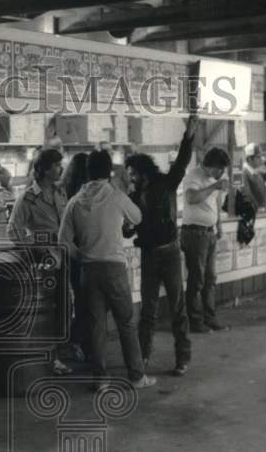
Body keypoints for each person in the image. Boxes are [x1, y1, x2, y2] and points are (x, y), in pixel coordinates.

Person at [59, 149, 155, 390]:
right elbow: (139, 216)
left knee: (96, 327)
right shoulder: (116, 195)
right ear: (109, 172)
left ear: (88, 171)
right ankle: (136, 376)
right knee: (126, 322)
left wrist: (80, 255)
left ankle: (100, 379)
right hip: (113, 267)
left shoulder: (75, 201)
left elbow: (63, 241)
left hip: (88, 271)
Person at [124, 114, 198, 376]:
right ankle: (143, 358)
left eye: (133, 173)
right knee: (149, 310)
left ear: (143, 171)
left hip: (169, 252)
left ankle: (182, 358)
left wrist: (188, 135)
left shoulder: (167, 183)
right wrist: (128, 227)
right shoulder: (132, 196)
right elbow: (127, 227)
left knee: (177, 308)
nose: (130, 178)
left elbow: (182, 160)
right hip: (150, 254)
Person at [8, 147, 71, 375]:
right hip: (46, 262)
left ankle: (61, 352)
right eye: (56, 165)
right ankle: (51, 358)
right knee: (49, 311)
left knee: (65, 308)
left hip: (65, 256)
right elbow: (13, 230)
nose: (60, 168)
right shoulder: (28, 198)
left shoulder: (60, 192)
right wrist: (33, 250)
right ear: (44, 169)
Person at [180, 146, 231, 333]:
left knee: (210, 278)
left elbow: (216, 202)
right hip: (194, 234)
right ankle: (194, 321)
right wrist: (214, 186)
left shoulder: (213, 179)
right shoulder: (193, 176)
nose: (222, 173)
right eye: (220, 169)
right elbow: (191, 198)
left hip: (209, 233)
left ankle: (210, 317)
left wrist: (219, 225)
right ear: (211, 166)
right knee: (197, 279)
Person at [61, 152, 90, 362]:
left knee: (80, 301)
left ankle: (77, 342)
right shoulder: (83, 196)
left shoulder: (63, 192)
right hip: (83, 253)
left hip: (71, 253)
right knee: (85, 301)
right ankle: (78, 342)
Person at [241, 142, 266, 209]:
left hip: (260, 212)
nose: (261, 159)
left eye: (261, 157)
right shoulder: (244, 174)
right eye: (258, 157)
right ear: (250, 159)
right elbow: (248, 194)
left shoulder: (258, 174)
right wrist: (258, 209)